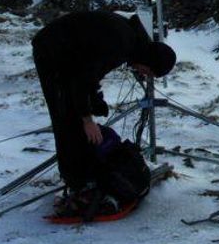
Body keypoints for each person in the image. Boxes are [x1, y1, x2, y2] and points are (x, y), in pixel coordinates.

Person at [31, 11, 175, 213]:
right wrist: (86, 118)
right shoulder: (121, 45)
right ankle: (78, 185)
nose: (143, 74)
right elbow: (79, 77)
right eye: (148, 71)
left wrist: (95, 100)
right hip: (53, 53)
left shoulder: (131, 43)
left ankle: (85, 174)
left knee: (74, 112)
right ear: (149, 60)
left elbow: (89, 67)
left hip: (68, 58)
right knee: (64, 115)